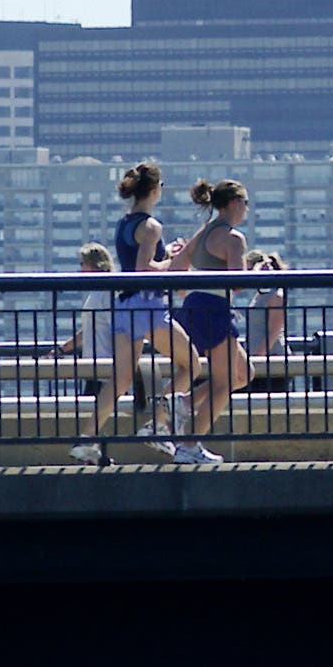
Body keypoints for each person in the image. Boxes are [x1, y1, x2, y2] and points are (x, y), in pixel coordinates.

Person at [69, 163, 200, 464]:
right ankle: (156, 424)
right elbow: (145, 271)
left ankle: (86, 439)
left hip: (125, 307)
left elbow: (137, 264)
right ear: (155, 190)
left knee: (120, 380)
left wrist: (165, 257)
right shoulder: (152, 226)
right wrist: (178, 259)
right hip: (148, 307)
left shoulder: (124, 224)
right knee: (190, 365)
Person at [165, 178, 253, 464]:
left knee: (244, 373)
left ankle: (185, 402)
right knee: (225, 382)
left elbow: (177, 267)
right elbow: (237, 283)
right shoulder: (233, 238)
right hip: (215, 308)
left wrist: (188, 291)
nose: (246, 210)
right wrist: (255, 271)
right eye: (246, 203)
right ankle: (189, 446)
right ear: (234, 203)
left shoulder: (203, 233)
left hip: (194, 305)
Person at [56, 242, 116, 402]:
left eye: (83, 264)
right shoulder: (97, 293)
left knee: (93, 417)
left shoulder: (106, 293)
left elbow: (117, 329)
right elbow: (89, 328)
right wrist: (63, 349)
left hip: (104, 368)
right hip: (93, 368)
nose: (81, 269)